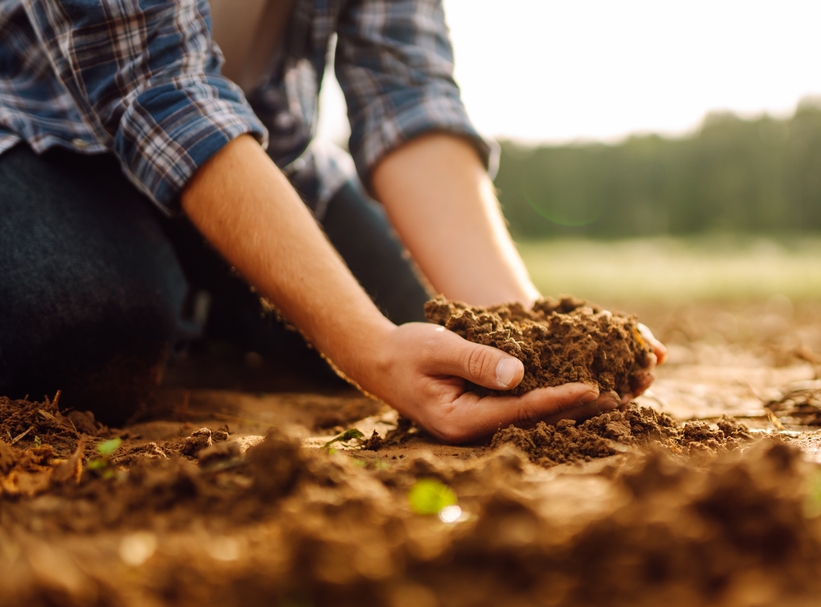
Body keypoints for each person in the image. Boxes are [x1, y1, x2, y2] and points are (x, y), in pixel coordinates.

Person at [0, 0, 665, 441]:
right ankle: (182, 299)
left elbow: (407, 91)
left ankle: (209, 297)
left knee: (428, 332)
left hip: (268, 157)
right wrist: (367, 347)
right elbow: (158, 90)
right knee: (87, 330)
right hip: (50, 143)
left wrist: (528, 331)